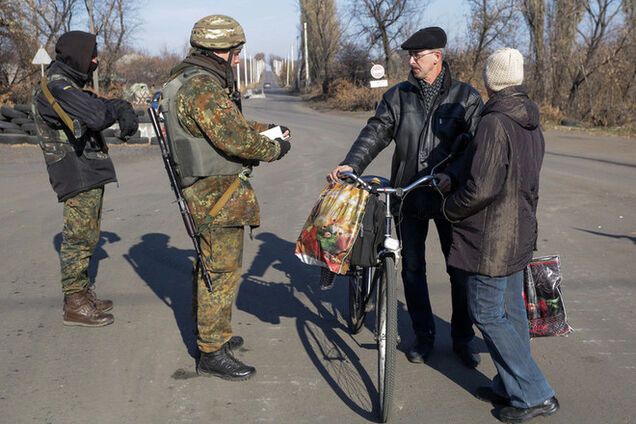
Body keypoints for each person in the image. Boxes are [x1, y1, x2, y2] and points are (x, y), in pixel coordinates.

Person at [328, 27, 483, 367]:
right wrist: (351, 164)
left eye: (417, 56)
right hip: (407, 193)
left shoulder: (466, 98)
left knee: (459, 270)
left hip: (448, 197)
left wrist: (452, 176)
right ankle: (423, 336)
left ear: (436, 57)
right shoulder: (398, 96)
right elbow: (376, 131)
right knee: (412, 268)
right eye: (410, 56)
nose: (411, 61)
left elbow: (474, 150)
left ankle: (462, 338)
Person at [160, 15, 291, 381]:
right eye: (235, 52)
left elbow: (228, 125)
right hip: (215, 192)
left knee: (215, 268)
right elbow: (234, 139)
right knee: (220, 271)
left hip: (210, 190)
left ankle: (215, 337)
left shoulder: (189, 80)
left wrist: (268, 130)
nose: (237, 59)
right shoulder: (202, 87)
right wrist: (273, 148)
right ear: (221, 50)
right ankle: (212, 350)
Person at [442, 48, 559, 422]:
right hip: (519, 230)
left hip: (493, 237)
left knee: (488, 313)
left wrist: (450, 207)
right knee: (511, 313)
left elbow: (482, 188)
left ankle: (535, 394)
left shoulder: (495, 122)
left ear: (491, 80)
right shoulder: (529, 119)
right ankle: (510, 385)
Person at [32, 31, 139, 327]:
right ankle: (75, 303)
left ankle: (82, 293)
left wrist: (117, 105)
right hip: (74, 170)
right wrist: (117, 107)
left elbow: (93, 105)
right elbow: (95, 115)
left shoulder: (67, 84)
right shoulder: (56, 85)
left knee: (89, 234)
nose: (95, 59)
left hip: (85, 169)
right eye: (91, 54)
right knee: (78, 237)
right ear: (77, 54)